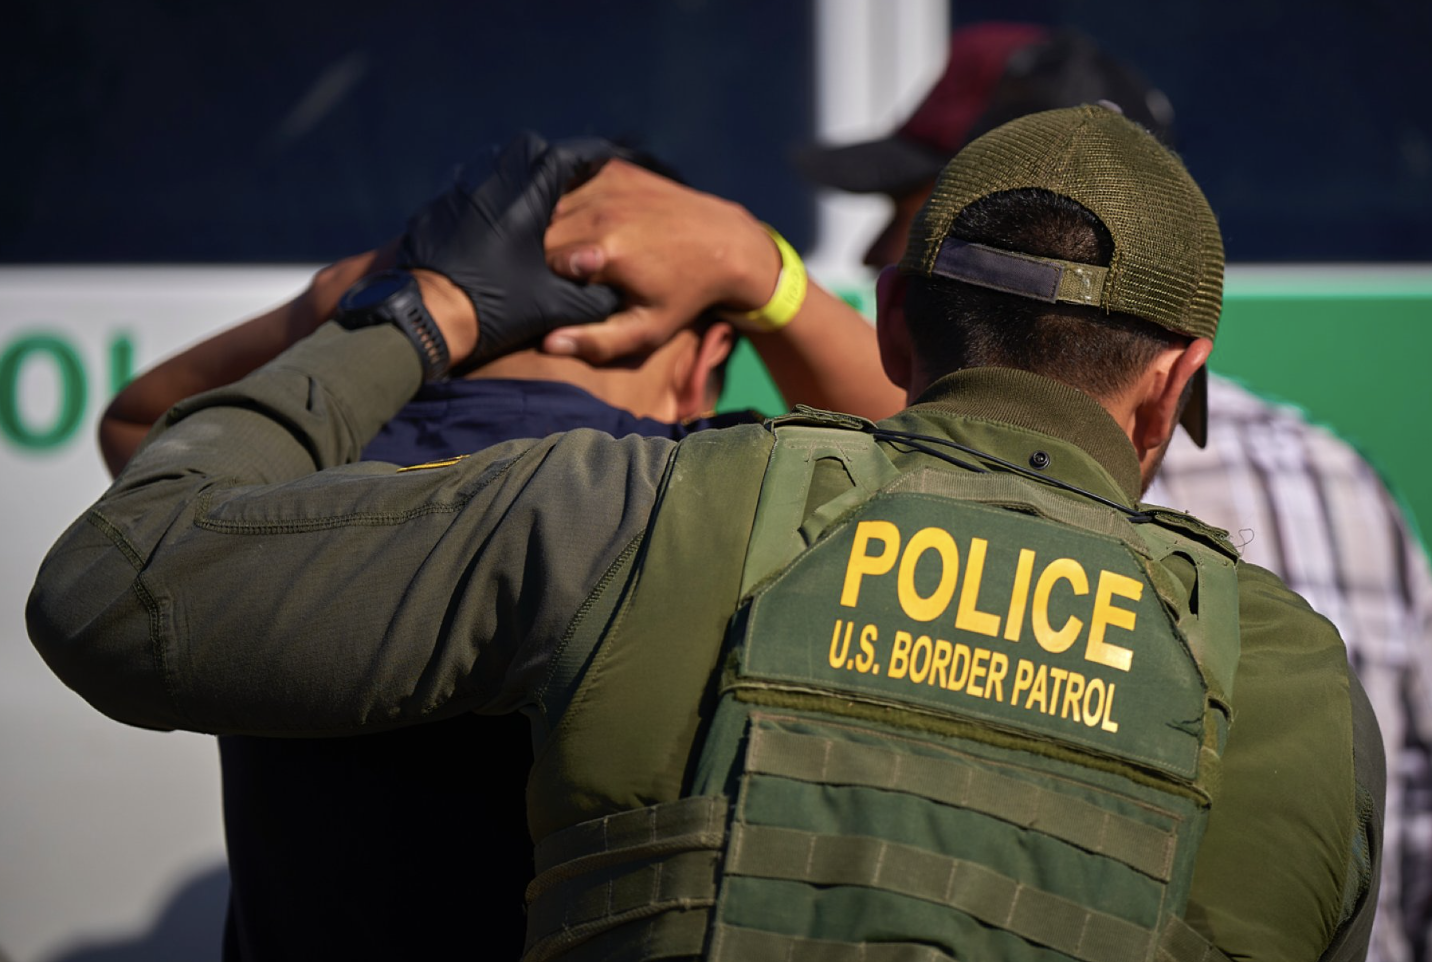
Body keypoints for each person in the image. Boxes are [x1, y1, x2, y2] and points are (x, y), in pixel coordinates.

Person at [30, 105, 1381, 960]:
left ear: (903, 324)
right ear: (1171, 384)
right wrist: (770, 275)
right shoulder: (1291, 683)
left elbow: (126, 559)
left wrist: (402, 311)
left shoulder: (665, 517)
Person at [96, 136, 903, 960]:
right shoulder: (726, 497)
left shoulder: (288, 480)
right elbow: (938, 461)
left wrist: (362, 304)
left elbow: (139, 421)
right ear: (703, 362)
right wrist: (766, 276)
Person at [773, 23, 1431, 961]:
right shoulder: (1342, 477)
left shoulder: (878, 503)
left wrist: (760, 285)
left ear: (1004, 221)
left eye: (908, 201)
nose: (878, 233)